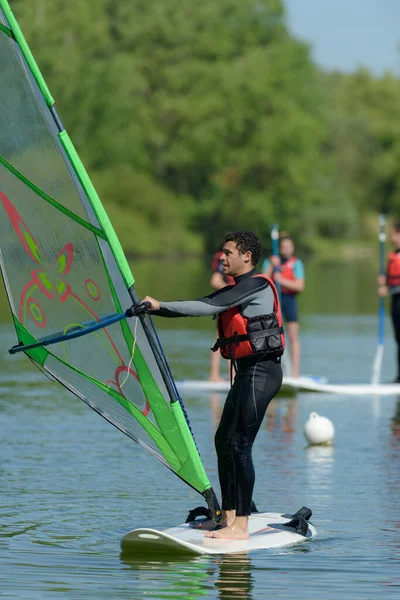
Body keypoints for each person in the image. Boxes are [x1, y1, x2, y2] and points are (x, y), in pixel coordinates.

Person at [142, 230, 284, 540]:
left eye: (228, 252)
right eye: (222, 252)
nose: (222, 257)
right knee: (224, 441)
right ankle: (228, 518)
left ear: (246, 257)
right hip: (247, 371)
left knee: (241, 446)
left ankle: (242, 527)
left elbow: (208, 305)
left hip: (262, 372)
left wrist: (159, 305)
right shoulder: (238, 287)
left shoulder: (256, 285)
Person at [262, 234, 304, 378]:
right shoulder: (271, 261)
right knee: (273, 336)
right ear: (279, 248)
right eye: (283, 247)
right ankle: (272, 371)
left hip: (289, 299)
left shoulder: (296, 263)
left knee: (292, 336)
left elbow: (299, 285)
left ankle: (295, 373)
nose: (286, 249)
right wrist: (272, 267)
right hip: (274, 300)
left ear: (292, 248)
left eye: (288, 247)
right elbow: (262, 281)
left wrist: (282, 280)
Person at [377, 222, 400, 382]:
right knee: (398, 338)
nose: (391, 238)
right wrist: (384, 281)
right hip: (396, 302)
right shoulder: (393, 256)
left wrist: (388, 289)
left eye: (393, 234)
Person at [209, 250, 235, 381]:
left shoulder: (236, 257)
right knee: (220, 337)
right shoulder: (222, 258)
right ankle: (214, 375)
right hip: (225, 301)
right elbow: (215, 281)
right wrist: (233, 292)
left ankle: (233, 375)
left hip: (234, 302)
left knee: (233, 337)